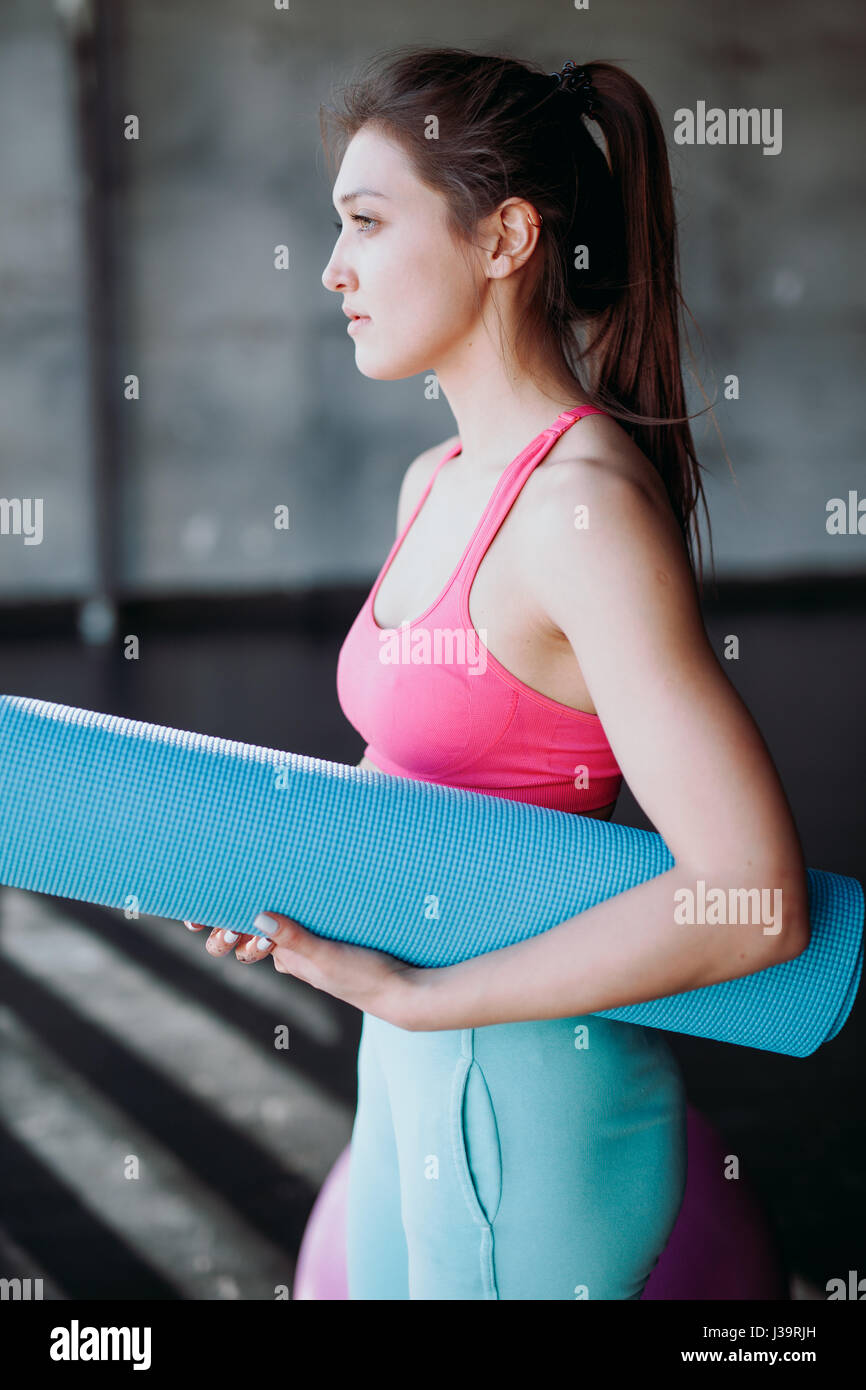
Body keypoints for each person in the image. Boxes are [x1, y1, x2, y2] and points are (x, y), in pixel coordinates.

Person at [187, 46, 810, 1300]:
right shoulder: (437, 483)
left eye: (366, 222)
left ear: (504, 237)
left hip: (524, 1110)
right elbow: (425, 768)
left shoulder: (579, 508)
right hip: (412, 1082)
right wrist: (284, 879)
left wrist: (429, 999)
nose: (332, 267)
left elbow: (751, 894)